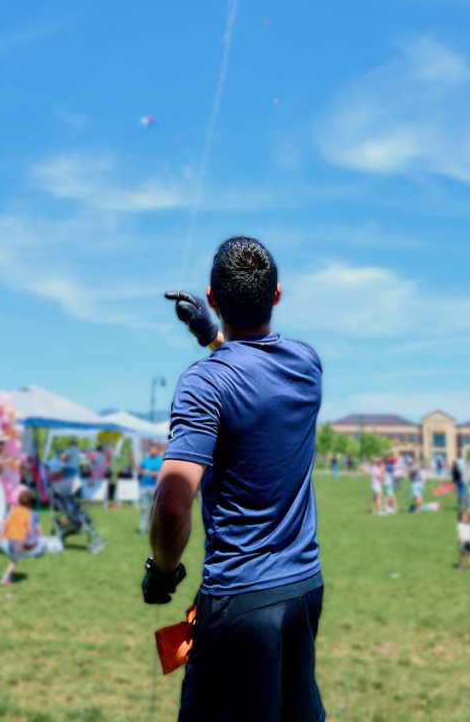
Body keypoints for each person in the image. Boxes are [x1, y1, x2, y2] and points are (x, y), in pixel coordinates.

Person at [144, 237, 325, 722]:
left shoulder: (204, 383)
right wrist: (211, 335)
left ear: (214, 297)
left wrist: (161, 573)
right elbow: (255, 369)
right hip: (303, 588)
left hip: (240, 601)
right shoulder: (307, 365)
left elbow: (171, 502)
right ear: (278, 295)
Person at [0, 489, 38, 586]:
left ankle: (10, 573)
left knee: (15, 555)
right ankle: (5, 578)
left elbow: (6, 521)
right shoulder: (28, 513)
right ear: (29, 503)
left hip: (10, 536)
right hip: (18, 539)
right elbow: (29, 527)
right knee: (15, 559)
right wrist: (32, 538)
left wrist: (2, 534)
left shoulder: (13, 510)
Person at [138, 443, 163, 535]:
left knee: (155, 510)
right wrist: (143, 471)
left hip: (154, 487)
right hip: (144, 486)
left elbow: (161, 474)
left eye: (153, 449)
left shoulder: (160, 460)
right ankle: (142, 529)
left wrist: (150, 473)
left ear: (157, 450)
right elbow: (140, 469)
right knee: (144, 508)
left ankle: (154, 530)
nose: (151, 451)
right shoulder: (146, 459)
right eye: (150, 449)